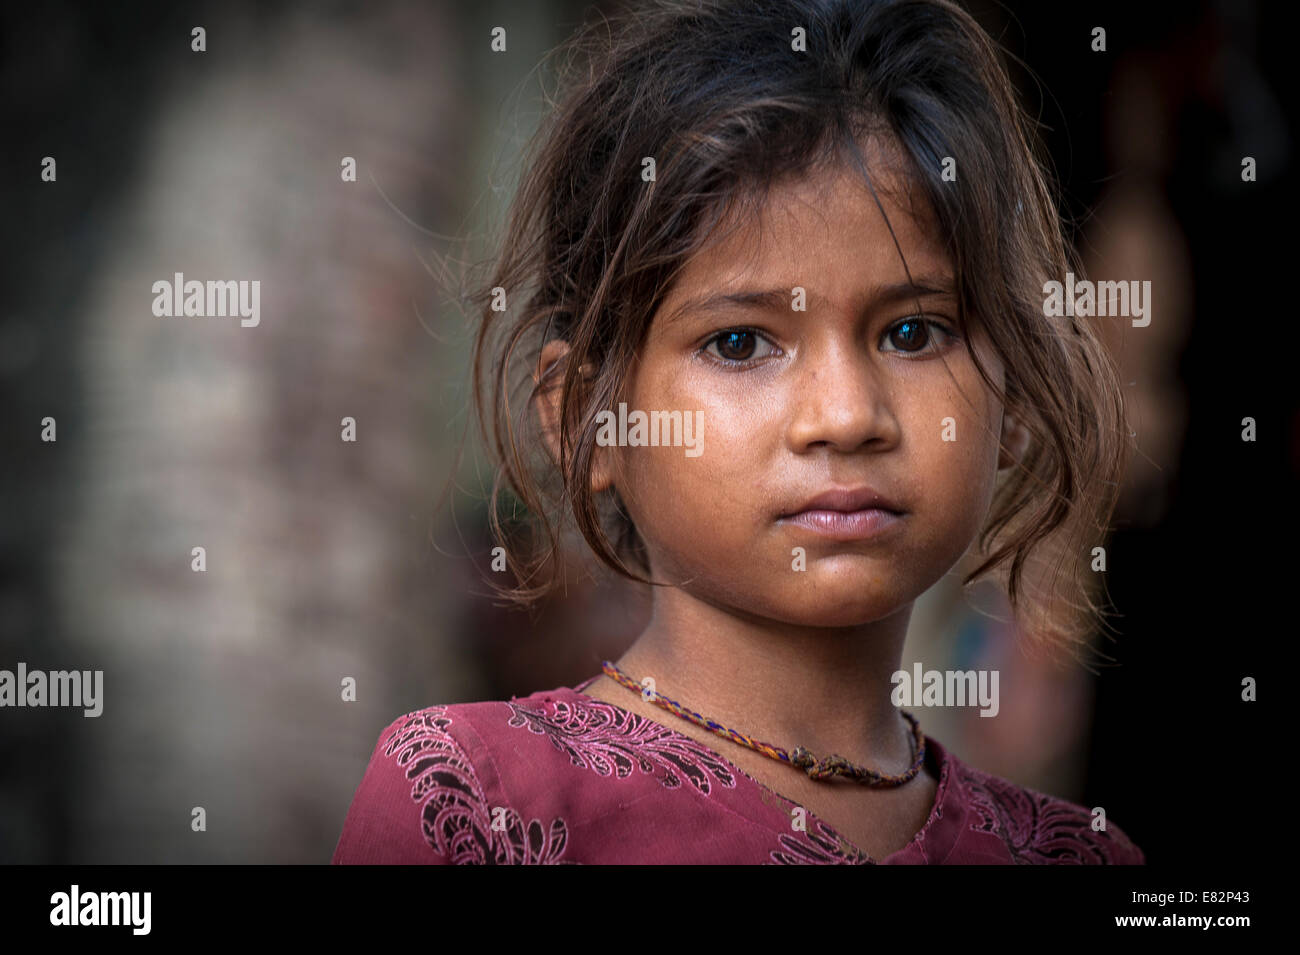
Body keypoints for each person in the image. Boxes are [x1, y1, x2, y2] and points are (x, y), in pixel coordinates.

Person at [332, 0, 1144, 864]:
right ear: (588, 420)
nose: (845, 416)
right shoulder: (478, 802)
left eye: (914, 332)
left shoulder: (1074, 857)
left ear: (1011, 393)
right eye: (740, 342)